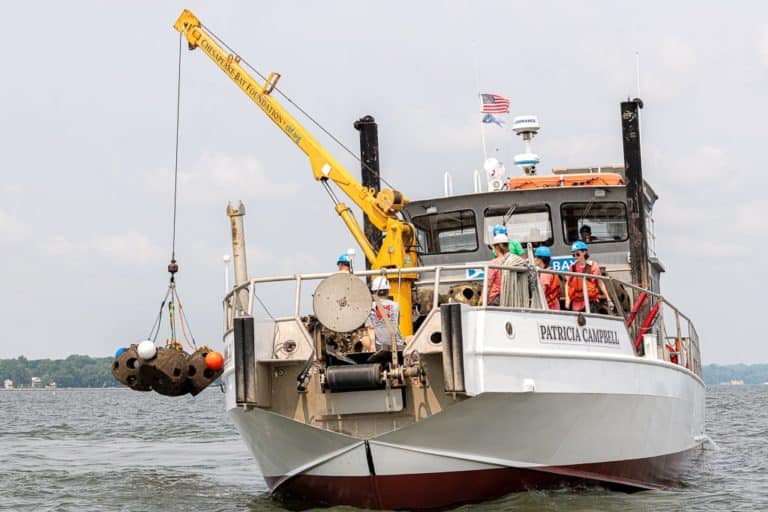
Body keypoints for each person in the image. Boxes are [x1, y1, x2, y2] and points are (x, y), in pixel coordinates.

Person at [565, 241, 612, 312]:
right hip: (577, 302)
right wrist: (567, 299)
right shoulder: (572, 267)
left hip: (591, 301)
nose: (575, 256)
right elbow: (567, 284)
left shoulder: (593, 265)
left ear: (584, 252)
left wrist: (608, 299)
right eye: (573, 255)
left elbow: (600, 283)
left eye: (577, 254)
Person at [365, 276, 404, 350]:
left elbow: (370, 328)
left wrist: (372, 346)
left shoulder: (369, 307)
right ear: (388, 291)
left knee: (364, 339)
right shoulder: (396, 305)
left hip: (381, 347)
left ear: (374, 291)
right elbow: (397, 324)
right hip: (398, 344)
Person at [486, 233, 526, 306]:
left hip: (496, 299)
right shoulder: (516, 261)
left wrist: (483, 302)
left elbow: (488, 286)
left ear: (496, 247)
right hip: (515, 298)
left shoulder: (494, 263)